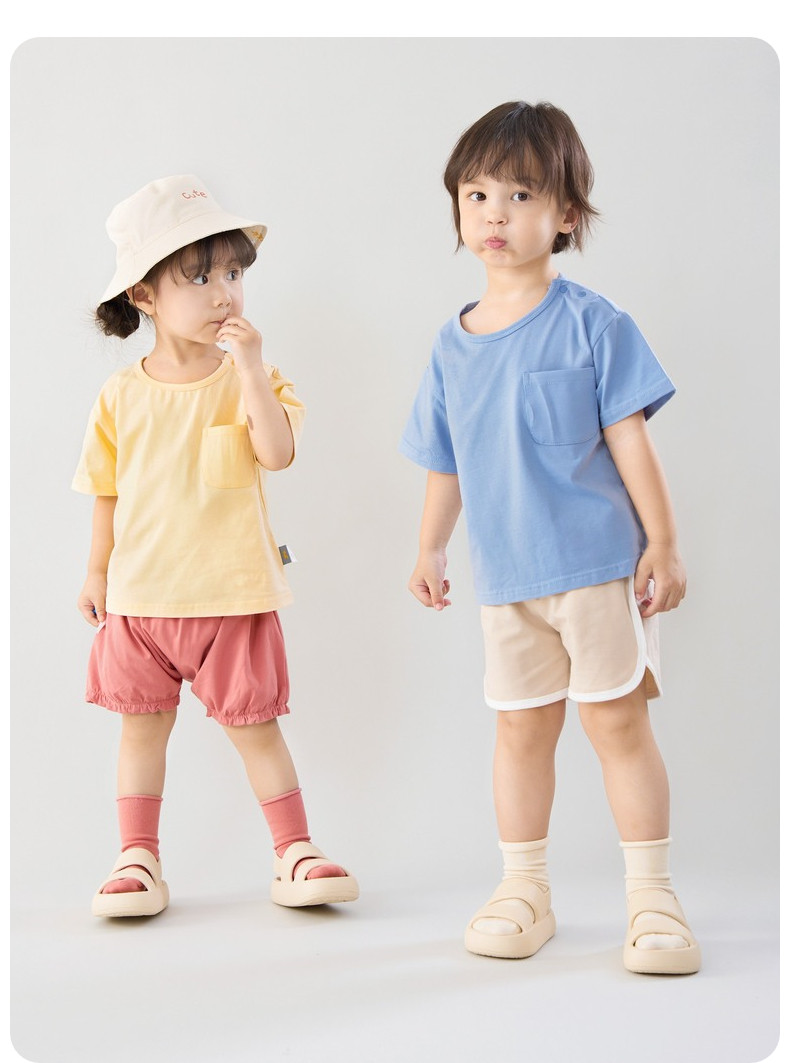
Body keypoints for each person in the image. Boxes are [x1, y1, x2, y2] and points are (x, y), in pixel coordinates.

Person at [399, 102, 700, 975]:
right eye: (477, 194)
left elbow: (630, 440)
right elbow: (446, 461)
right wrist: (429, 548)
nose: (495, 213)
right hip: (506, 580)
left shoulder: (594, 324)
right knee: (520, 735)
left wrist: (664, 542)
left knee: (617, 725)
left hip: (598, 570)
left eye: (521, 194)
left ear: (566, 214)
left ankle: (653, 896)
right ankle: (524, 888)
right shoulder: (450, 347)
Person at [73, 175, 358, 918]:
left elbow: (277, 453)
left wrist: (253, 370)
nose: (224, 293)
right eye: (199, 278)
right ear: (143, 294)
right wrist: (96, 571)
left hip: (233, 597)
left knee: (257, 729)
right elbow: (105, 489)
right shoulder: (120, 394)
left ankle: (294, 850)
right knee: (142, 731)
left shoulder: (249, 378)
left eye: (232, 273)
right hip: (142, 602)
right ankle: (137, 856)